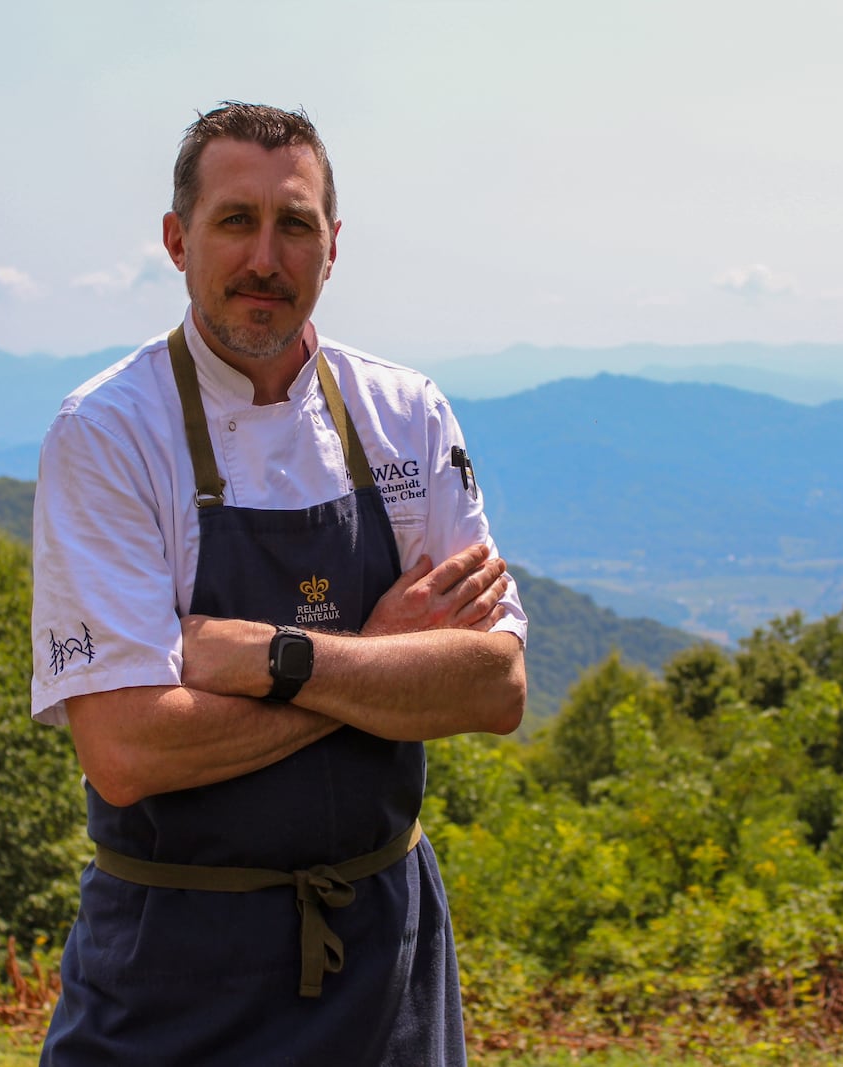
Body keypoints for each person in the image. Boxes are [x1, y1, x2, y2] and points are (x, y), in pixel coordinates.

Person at [30, 101, 528, 1066]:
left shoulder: (405, 415)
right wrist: (382, 665)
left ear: (332, 246)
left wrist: (271, 658)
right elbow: (127, 749)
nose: (266, 256)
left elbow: (494, 686)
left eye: (294, 224)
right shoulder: (108, 434)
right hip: (171, 976)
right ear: (178, 240)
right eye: (235, 221)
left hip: (387, 971)